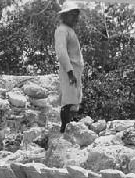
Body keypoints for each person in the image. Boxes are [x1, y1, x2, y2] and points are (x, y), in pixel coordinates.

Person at [55, 1, 84, 133]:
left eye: (76, 15)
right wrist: (70, 72)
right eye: (72, 15)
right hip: (69, 71)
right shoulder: (61, 30)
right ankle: (64, 129)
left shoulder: (69, 30)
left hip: (74, 71)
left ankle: (68, 127)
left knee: (73, 100)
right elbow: (61, 52)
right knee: (67, 101)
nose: (75, 18)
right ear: (65, 15)